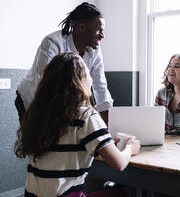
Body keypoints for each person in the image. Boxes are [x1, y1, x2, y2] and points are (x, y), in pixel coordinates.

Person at [14, 53, 140, 197]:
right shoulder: (85, 115)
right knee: (119, 193)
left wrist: (107, 143)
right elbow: (119, 164)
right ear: (80, 81)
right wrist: (130, 148)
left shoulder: (37, 114)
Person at [15, 2, 113, 124]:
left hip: (63, 103)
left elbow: (100, 86)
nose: (102, 36)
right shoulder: (52, 43)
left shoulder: (94, 49)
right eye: (99, 30)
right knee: (36, 140)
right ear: (81, 27)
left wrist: (107, 127)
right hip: (33, 98)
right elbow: (46, 83)